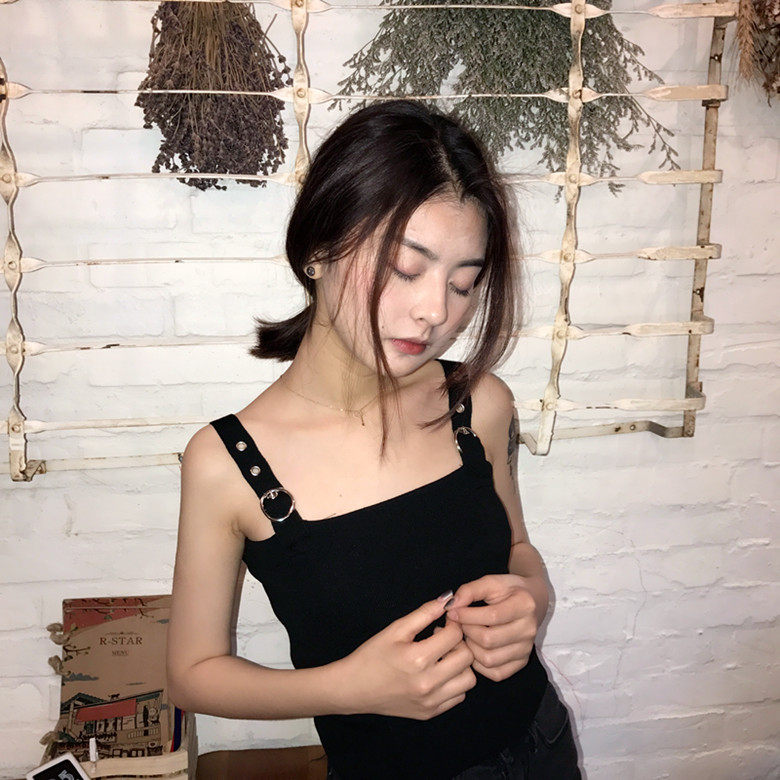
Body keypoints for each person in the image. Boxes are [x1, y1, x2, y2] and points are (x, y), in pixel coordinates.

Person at [167, 99, 581, 779]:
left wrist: (531, 597)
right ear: (319, 248)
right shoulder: (230, 464)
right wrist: (349, 688)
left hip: (542, 746)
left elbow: (516, 549)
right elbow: (192, 674)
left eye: (463, 284)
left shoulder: (477, 405)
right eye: (406, 268)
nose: (436, 311)